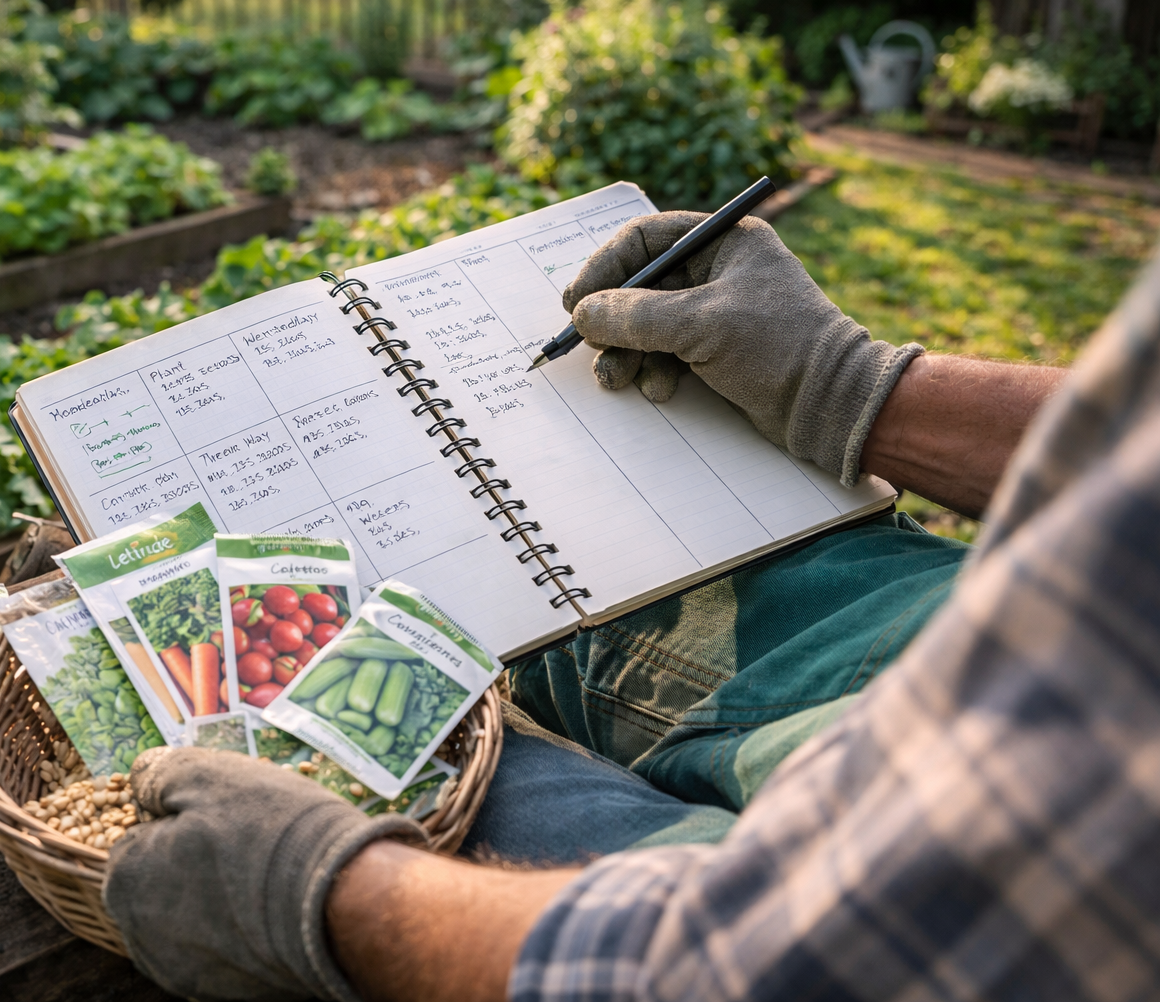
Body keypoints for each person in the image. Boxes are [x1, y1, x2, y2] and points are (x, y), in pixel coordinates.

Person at [102, 210, 1160, 1001]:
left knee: (468, 764)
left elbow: (778, 967)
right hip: (999, 621)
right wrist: (845, 382)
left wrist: (335, 896)